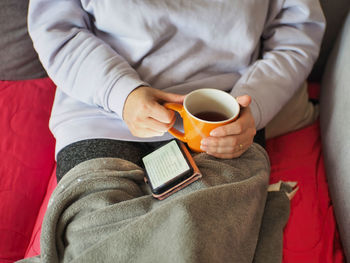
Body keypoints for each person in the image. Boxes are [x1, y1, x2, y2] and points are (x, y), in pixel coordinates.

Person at [28, 0, 325, 180]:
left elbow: (296, 33)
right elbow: (57, 30)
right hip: (100, 116)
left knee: (213, 234)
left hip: (223, 120)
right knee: (93, 230)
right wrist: (121, 94)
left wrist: (254, 107)